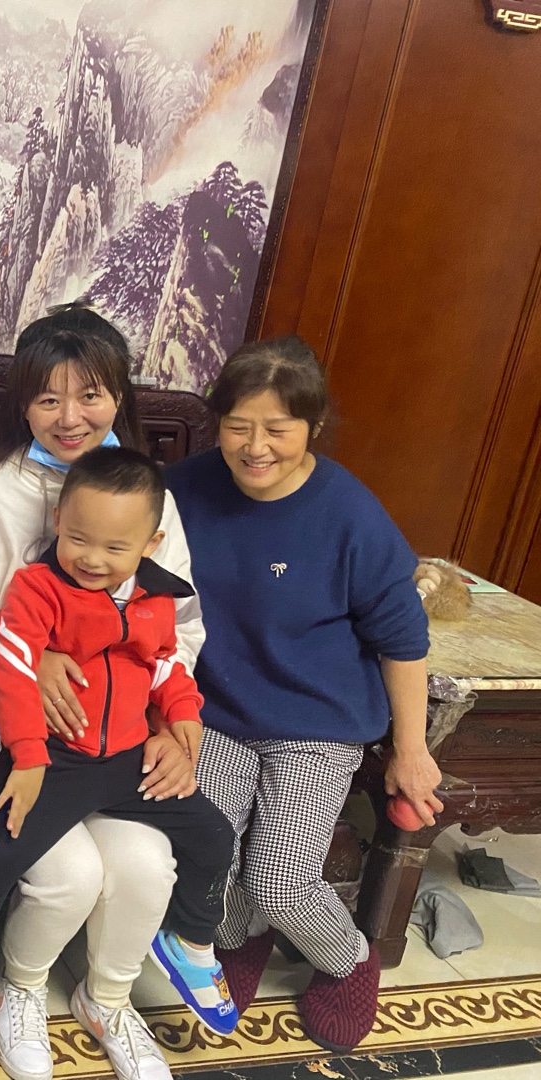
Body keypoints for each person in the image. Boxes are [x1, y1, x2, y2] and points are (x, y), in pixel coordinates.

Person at [0, 304, 209, 1080]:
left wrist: (171, 724)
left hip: (116, 732)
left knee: (148, 862)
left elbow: (179, 626)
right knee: (69, 872)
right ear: (23, 402)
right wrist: (26, 662)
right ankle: (19, 988)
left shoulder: (148, 494)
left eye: (91, 395)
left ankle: (105, 999)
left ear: (120, 396)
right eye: (49, 398)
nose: (71, 416)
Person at [167, 336, 441, 1054]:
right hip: (216, 713)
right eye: (238, 426)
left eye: (277, 429)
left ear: (312, 427)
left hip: (318, 722)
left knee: (282, 880)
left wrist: (410, 750)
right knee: (210, 860)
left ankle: (347, 959)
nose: (255, 447)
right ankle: (241, 940)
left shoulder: (348, 513)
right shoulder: (183, 489)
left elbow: (403, 638)